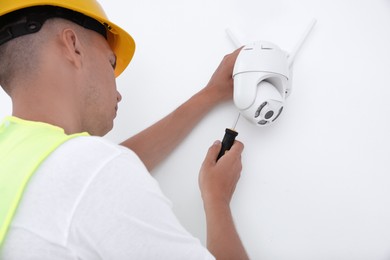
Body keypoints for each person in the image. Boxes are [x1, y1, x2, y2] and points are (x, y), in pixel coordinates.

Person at [0, 1, 248, 259]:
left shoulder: (13, 161)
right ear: (73, 46)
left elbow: (80, 179)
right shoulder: (91, 173)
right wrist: (217, 199)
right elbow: (93, 176)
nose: (118, 94)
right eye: (111, 62)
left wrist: (209, 94)